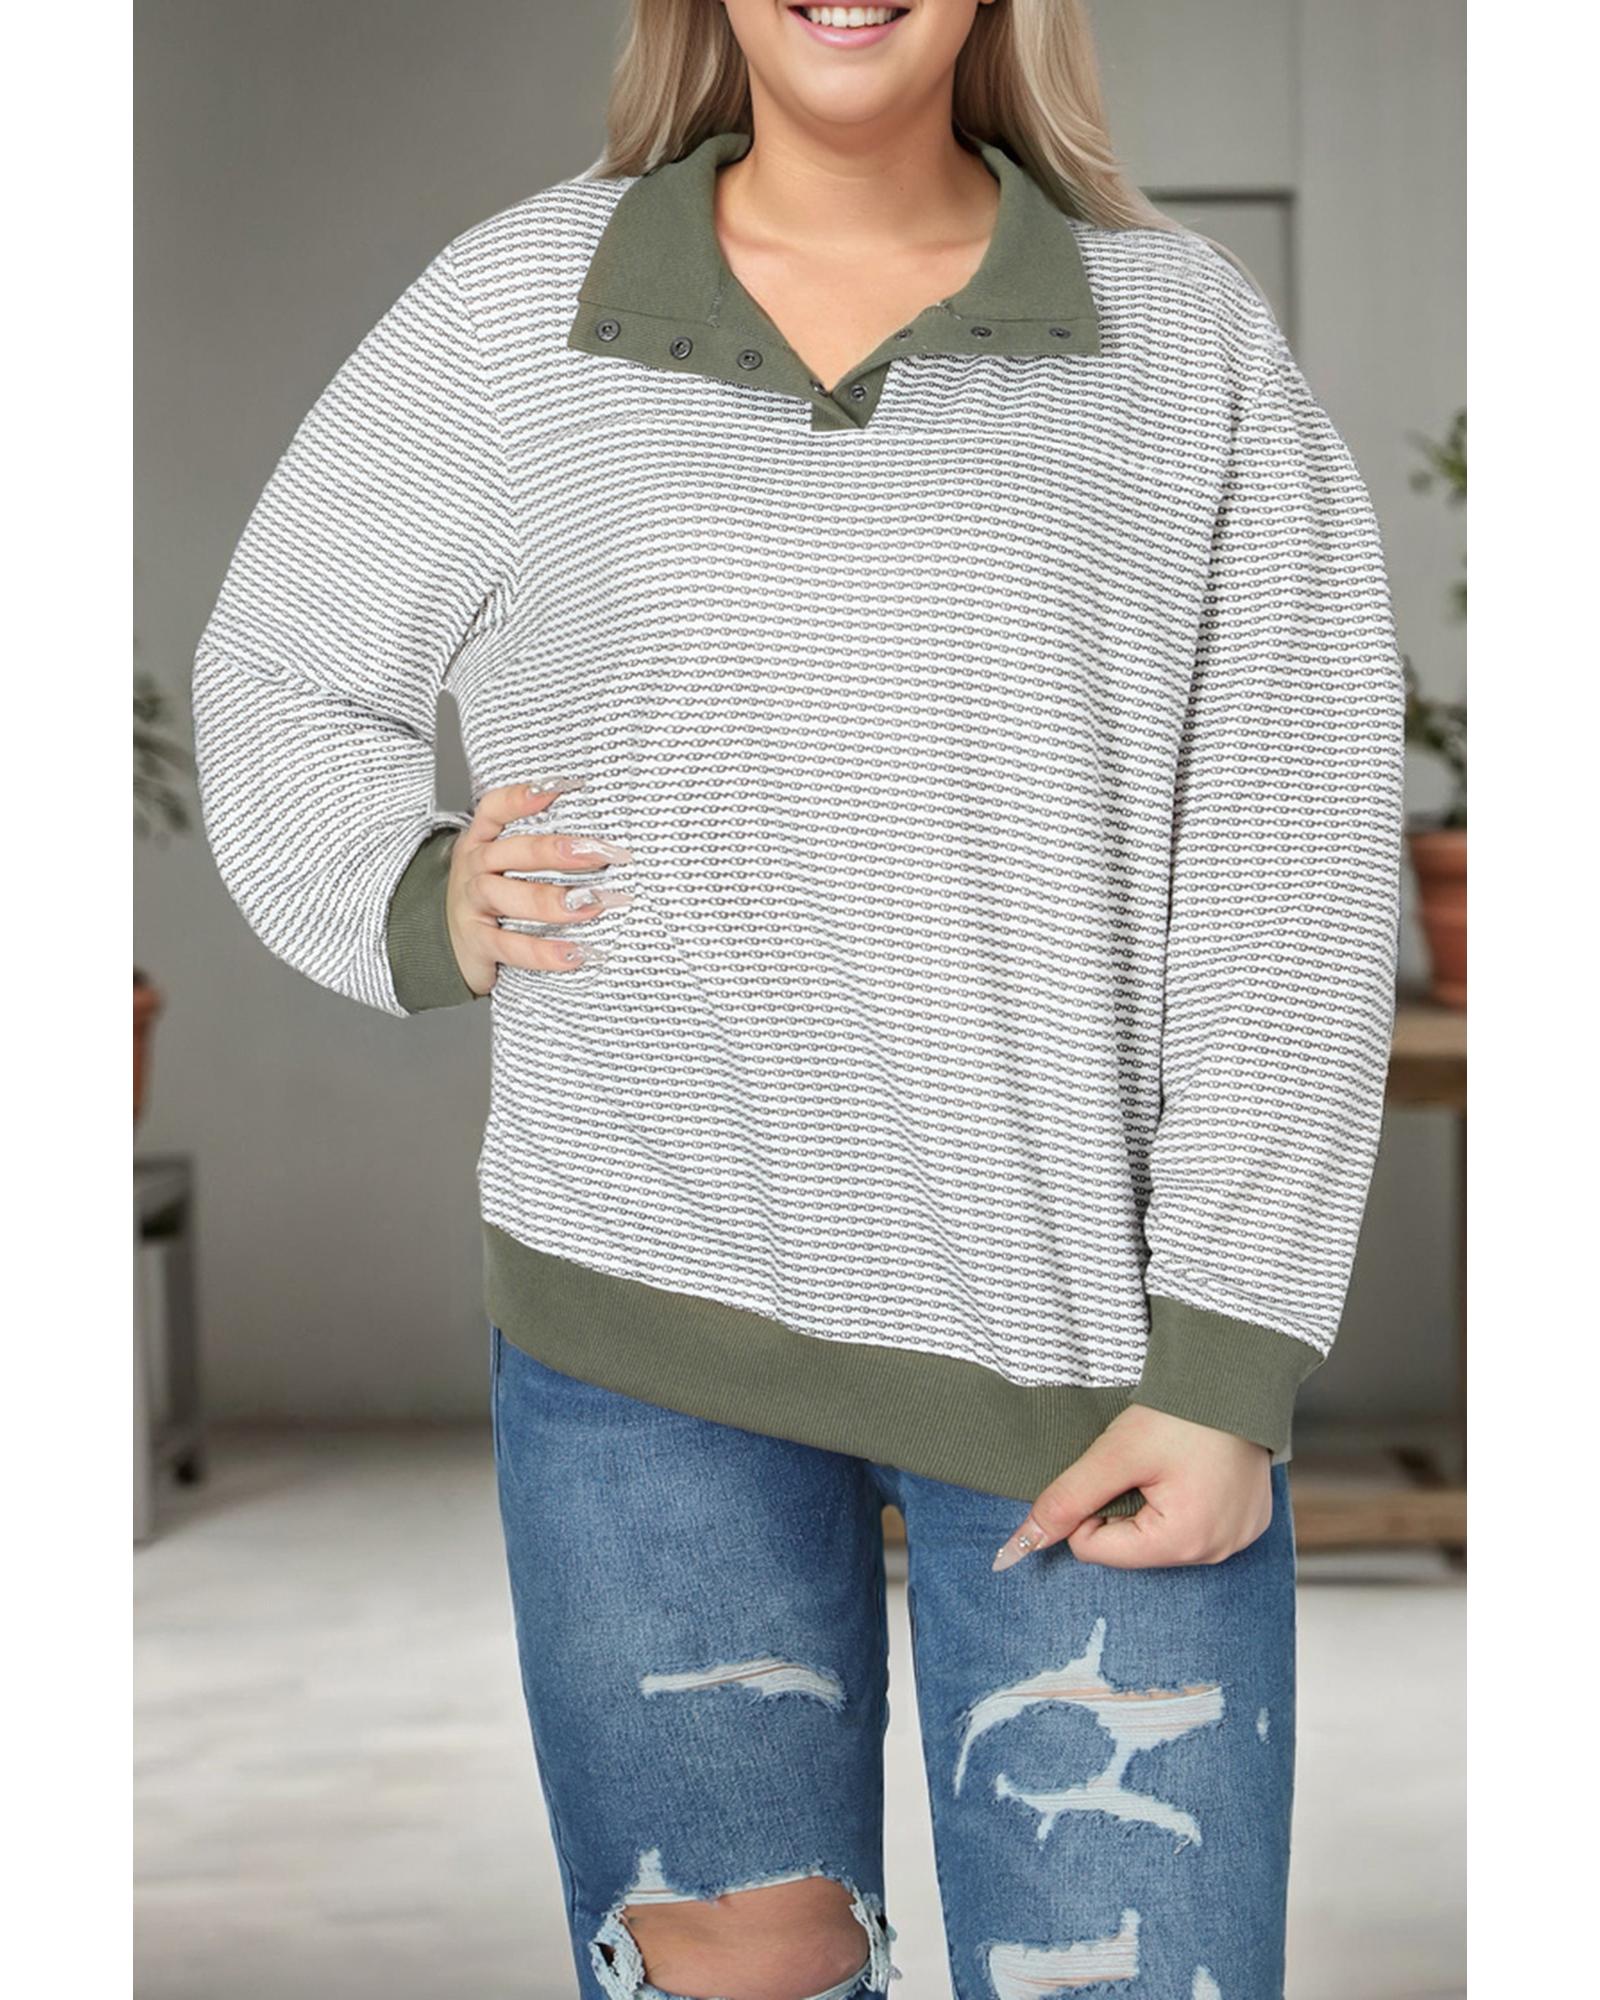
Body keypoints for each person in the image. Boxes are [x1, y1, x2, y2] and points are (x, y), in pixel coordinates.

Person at [192, 3, 1406, 1996]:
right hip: (638, 1320)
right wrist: (415, 895)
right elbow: (282, 673)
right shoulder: (518, 305)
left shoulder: (1180, 340)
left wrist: (1224, 1357)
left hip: (1085, 1350)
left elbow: (1292, 858)